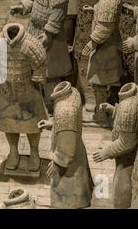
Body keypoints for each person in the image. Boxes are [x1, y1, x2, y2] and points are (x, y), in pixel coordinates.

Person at [10, 0, 72, 113]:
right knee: (32, 68)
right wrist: (22, 7)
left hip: (51, 37)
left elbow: (58, 14)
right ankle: (37, 104)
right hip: (34, 30)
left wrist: (49, 33)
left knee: (49, 72)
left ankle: (52, 108)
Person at [0, 23, 48, 172]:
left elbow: (40, 64)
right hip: (7, 90)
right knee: (8, 123)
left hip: (28, 89)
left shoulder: (30, 44)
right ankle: (13, 152)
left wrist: (38, 78)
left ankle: (34, 152)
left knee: (32, 126)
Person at [39, 81, 94, 209]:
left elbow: (67, 149)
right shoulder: (73, 93)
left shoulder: (64, 110)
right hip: (78, 153)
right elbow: (70, 126)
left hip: (68, 167)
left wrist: (58, 163)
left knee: (66, 201)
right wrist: (54, 124)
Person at [82, 0, 123, 125]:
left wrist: (92, 42)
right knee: (101, 80)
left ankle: (101, 116)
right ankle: (103, 111)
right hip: (106, 45)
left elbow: (105, 26)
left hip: (105, 47)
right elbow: (106, 16)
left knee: (99, 80)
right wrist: (94, 10)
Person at [93, 83, 138, 208]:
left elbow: (127, 143)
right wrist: (114, 111)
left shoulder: (129, 106)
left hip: (128, 160)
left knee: (120, 192)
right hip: (123, 157)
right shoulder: (135, 93)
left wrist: (106, 152)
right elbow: (128, 120)